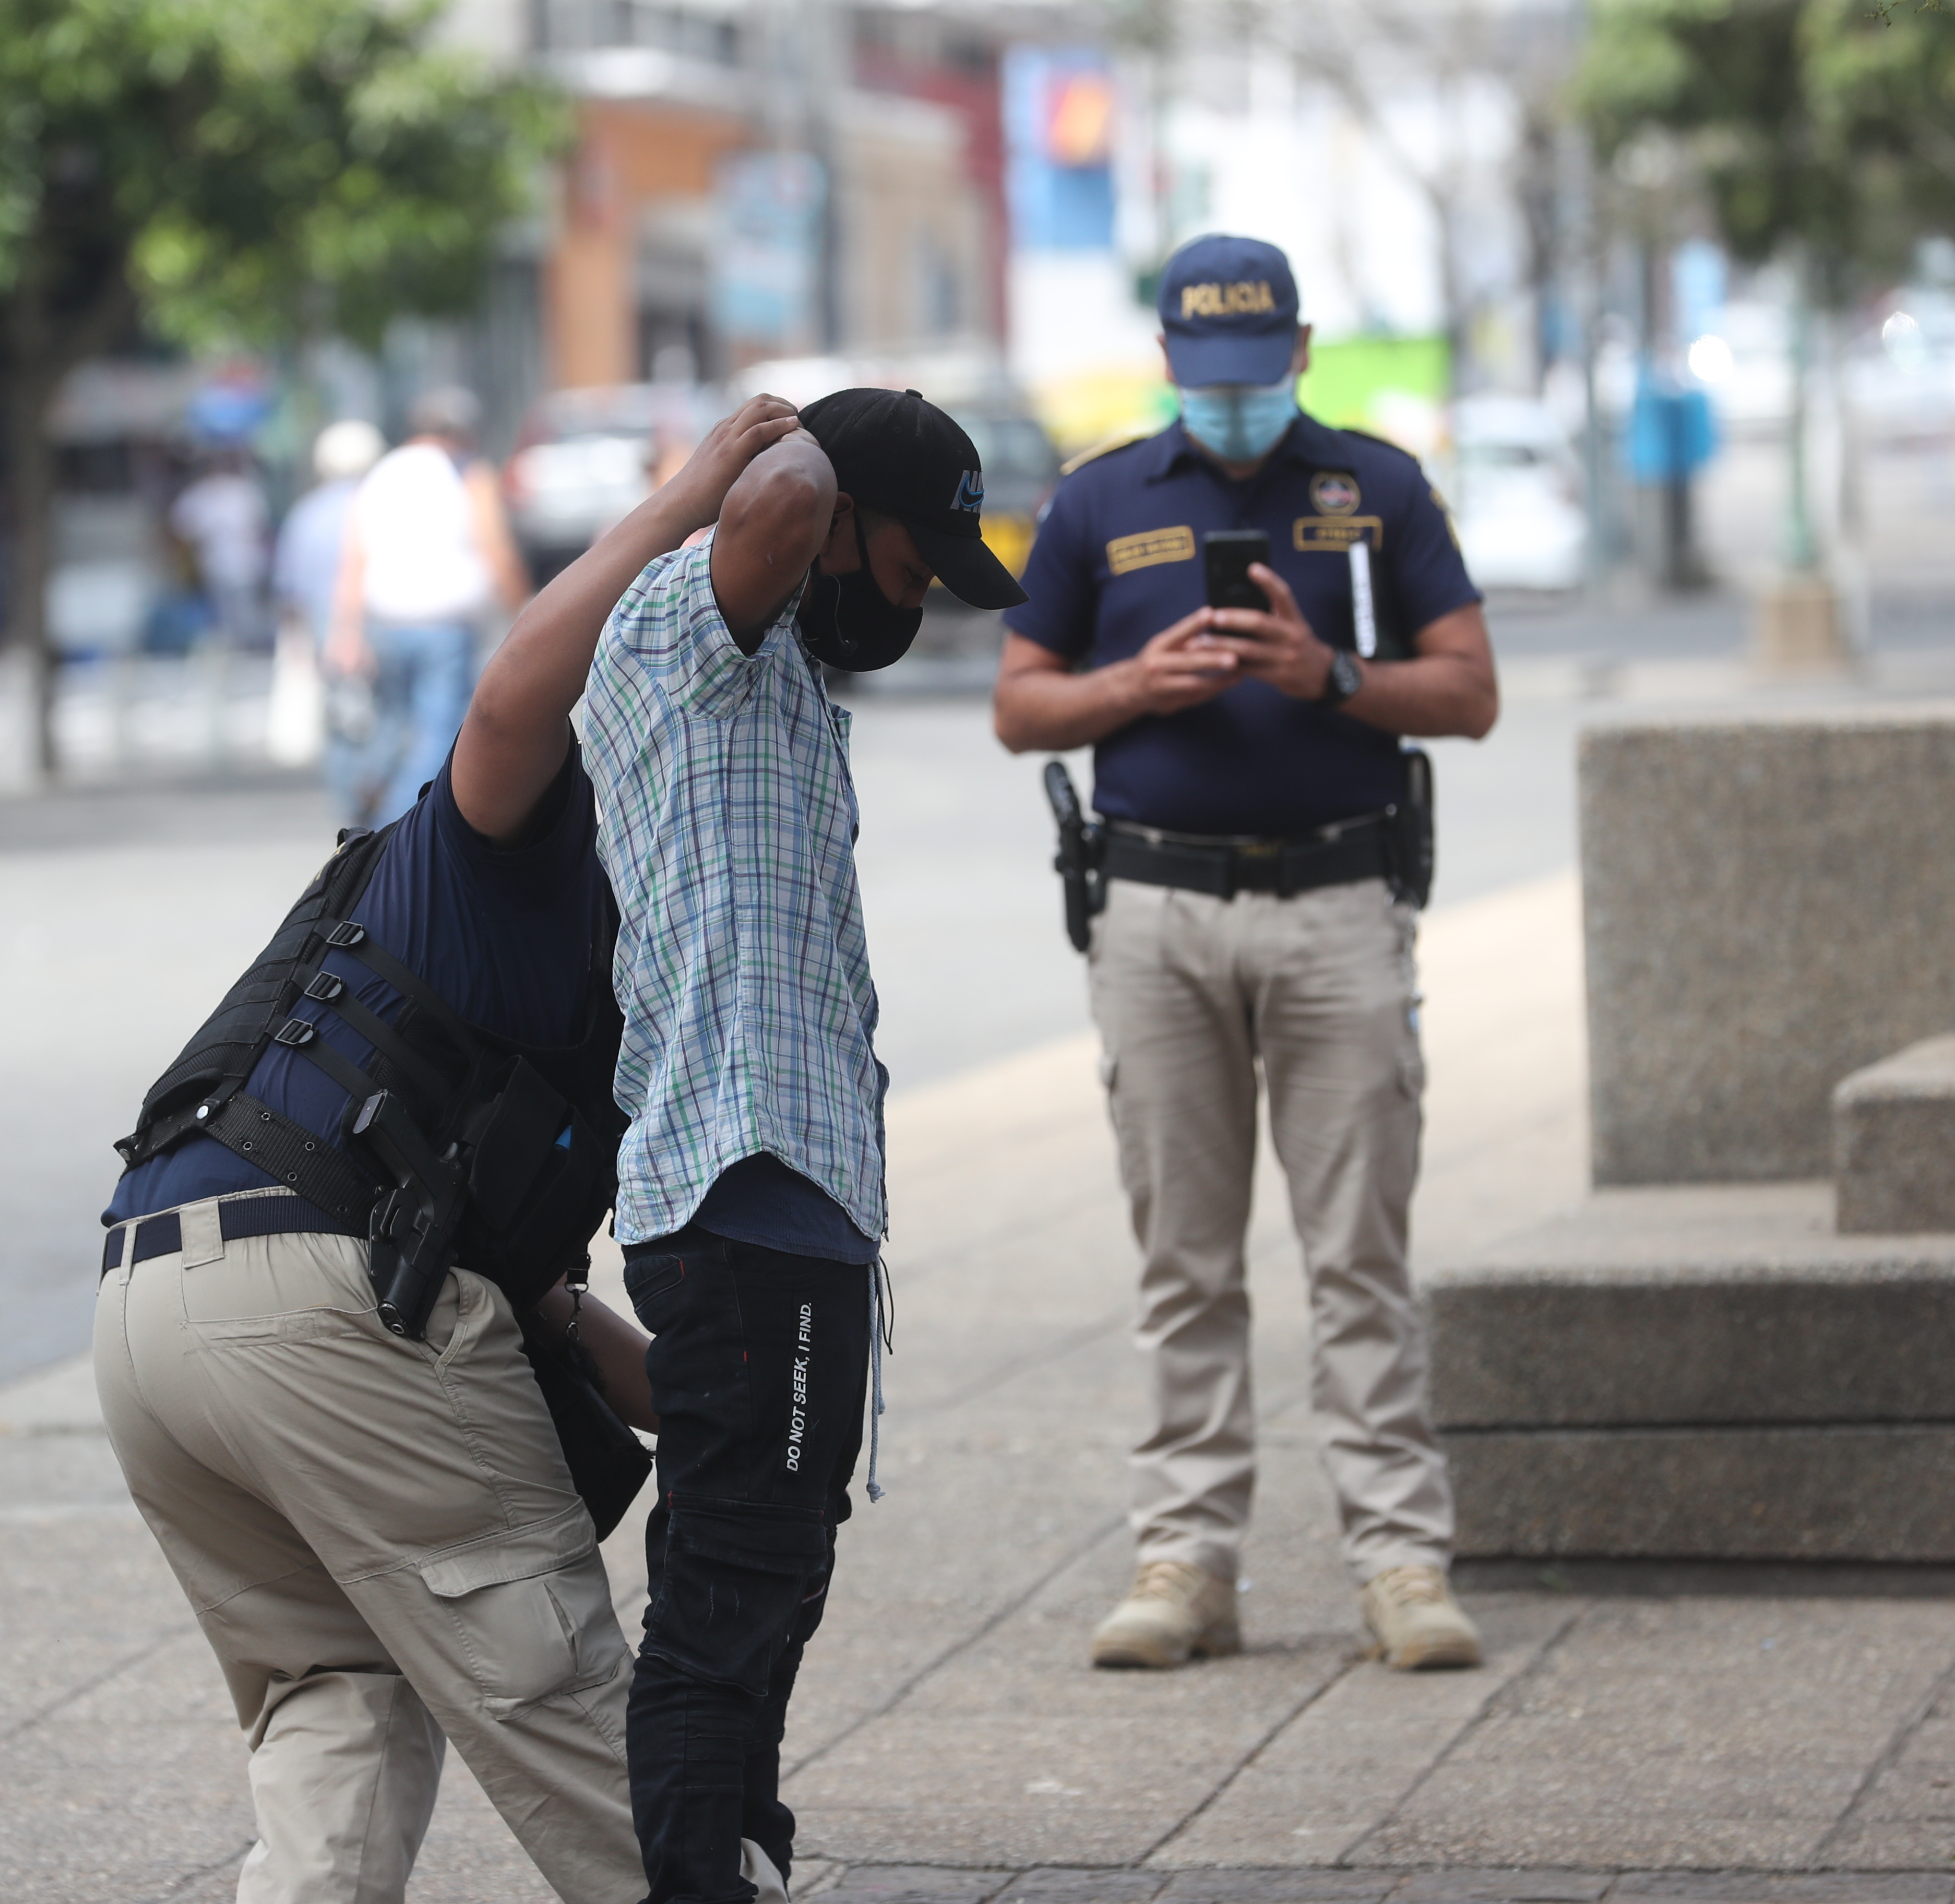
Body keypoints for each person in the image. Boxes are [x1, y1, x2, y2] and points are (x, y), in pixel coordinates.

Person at [92, 394, 812, 1904]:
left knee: (336, 1698)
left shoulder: (470, 946)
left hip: (153, 1309)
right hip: (328, 1305)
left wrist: (732, 1410)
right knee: (585, 1733)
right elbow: (503, 703)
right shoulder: (516, 844)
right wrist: (685, 501)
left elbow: (534, 1300)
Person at [991, 234, 1501, 1674]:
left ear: (1301, 350)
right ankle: (1187, 1563)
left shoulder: (1377, 490)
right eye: (1206, 377)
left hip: (1341, 906)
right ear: (1167, 365)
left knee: (1360, 1257)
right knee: (1185, 1260)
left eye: (1257, 371)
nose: (1232, 401)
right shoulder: (1098, 499)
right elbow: (1020, 708)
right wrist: (1131, 686)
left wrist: (1328, 676)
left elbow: (1469, 690)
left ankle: (1402, 1562)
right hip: (1156, 916)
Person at [579, 386, 1029, 1904]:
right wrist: (791, 452)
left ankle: (740, 1855)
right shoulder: (689, 636)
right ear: (836, 522)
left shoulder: (778, 679)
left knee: (777, 1573)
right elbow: (777, 499)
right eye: (911, 565)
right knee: (726, 1594)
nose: (912, 604)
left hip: (800, 1201)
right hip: (742, 1188)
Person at [327, 387, 529, 825]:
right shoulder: (466, 474)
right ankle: (393, 831)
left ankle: (364, 799)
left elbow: (354, 560)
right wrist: (526, 610)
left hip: (385, 622)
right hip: (444, 626)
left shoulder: (381, 475)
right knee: (438, 733)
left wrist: (346, 629)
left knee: (392, 727)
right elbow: (497, 548)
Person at [274, 419, 387, 805]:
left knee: (340, 720)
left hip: (324, 623)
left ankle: (350, 812)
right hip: (381, 619)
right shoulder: (382, 503)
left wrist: (296, 640)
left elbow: (289, 587)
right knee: (387, 713)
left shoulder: (306, 513)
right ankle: (385, 803)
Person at [170, 439, 275, 651]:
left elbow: (261, 530)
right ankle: (244, 654)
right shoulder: (201, 495)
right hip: (218, 569)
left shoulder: (243, 491)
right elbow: (181, 532)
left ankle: (253, 652)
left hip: (247, 567)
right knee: (229, 621)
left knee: (249, 619)